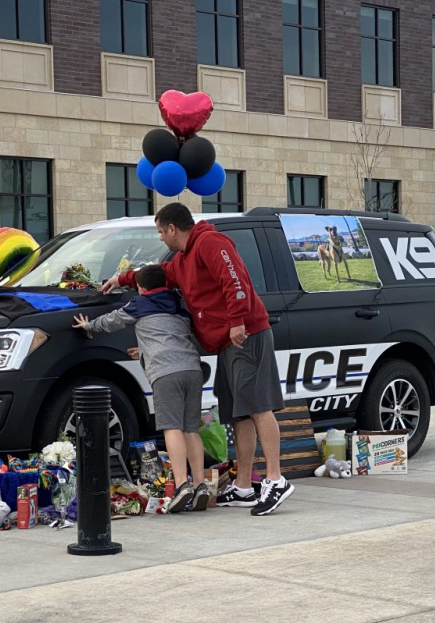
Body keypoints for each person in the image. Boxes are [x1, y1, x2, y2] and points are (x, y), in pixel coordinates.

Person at [101, 202, 294, 516]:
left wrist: (237, 321)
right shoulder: (183, 260)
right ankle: (244, 487)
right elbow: (159, 273)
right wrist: (121, 279)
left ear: (173, 228)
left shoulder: (210, 243)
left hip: (247, 335)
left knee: (259, 406)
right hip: (225, 344)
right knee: (239, 413)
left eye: (161, 232)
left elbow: (235, 280)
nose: (161, 238)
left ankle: (275, 479)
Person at [73, 264, 209, 513]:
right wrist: (145, 351)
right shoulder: (179, 303)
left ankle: (181, 485)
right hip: (192, 368)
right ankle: (200, 484)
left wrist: (89, 326)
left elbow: (112, 320)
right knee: (191, 428)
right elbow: (170, 335)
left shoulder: (140, 303)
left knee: (172, 427)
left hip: (166, 372)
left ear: (141, 288)